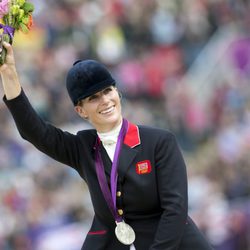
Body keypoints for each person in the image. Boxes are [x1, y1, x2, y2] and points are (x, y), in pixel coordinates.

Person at [0, 41, 213, 250]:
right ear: (80, 111)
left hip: (171, 243)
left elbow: (175, 210)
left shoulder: (160, 142)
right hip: (111, 242)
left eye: (108, 91)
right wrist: (9, 73)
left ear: (117, 92)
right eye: (93, 98)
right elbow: (35, 131)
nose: (105, 101)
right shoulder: (82, 148)